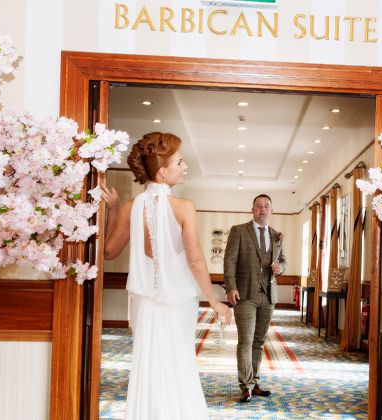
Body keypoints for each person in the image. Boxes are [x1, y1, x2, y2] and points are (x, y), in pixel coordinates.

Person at [101, 132, 231, 419]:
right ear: (162, 171)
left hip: (143, 304)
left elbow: (108, 252)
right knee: (178, 364)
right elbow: (196, 261)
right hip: (179, 302)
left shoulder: (130, 207)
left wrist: (112, 210)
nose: (186, 167)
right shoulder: (184, 207)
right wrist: (214, 301)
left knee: (148, 366)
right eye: (180, 162)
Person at [223, 194, 286, 403]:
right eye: (258, 206)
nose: (262, 209)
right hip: (245, 294)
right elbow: (229, 261)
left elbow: (282, 261)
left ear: (272, 210)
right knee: (246, 340)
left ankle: (255, 381)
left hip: (268, 296)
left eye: (266, 206)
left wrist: (280, 268)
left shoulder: (277, 235)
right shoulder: (239, 231)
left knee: (259, 341)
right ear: (252, 210)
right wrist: (230, 288)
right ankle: (245, 385)